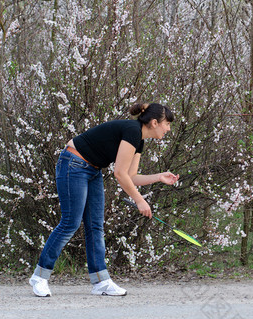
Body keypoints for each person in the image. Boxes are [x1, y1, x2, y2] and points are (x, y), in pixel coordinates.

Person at [29, 103, 180, 297]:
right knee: (70, 223)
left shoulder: (139, 140)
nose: (168, 129)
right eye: (167, 124)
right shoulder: (132, 131)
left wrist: (158, 177)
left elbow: (130, 176)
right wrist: (140, 201)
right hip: (73, 164)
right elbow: (119, 174)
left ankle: (101, 282)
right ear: (154, 123)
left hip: (92, 170)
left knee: (95, 226)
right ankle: (40, 277)